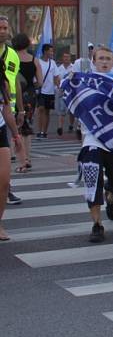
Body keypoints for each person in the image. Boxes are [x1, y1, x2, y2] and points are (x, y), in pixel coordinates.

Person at [76, 45, 113, 243]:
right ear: (94, 61)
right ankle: (97, 225)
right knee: (92, 183)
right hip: (92, 141)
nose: (104, 62)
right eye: (101, 58)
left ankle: (111, 195)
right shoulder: (84, 84)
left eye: (108, 59)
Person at [0, 60, 24, 240]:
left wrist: (16, 136)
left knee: (4, 182)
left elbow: (6, 109)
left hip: (0, 132)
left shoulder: (3, 82)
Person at [0, 18, 22, 205]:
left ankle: (7, 189)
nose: (3, 31)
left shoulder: (13, 54)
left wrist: (20, 109)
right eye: (0, 28)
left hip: (8, 110)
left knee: (6, 156)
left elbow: (14, 82)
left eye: (5, 28)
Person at [13, 33, 42, 174]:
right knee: (27, 127)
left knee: (15, 128)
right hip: (30, 95)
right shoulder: (34, 60)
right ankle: (28, 159)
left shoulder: (11, 58)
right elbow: (40, 82)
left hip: (13, 95)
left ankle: (20, 159)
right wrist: (31, 88)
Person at [35, 43, 56, 138]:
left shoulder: (53, 63)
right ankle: (39, 131)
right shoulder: (38, 62)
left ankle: (44, 132)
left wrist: (59, 86)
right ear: (45, 51)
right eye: (50, 51)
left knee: (47, 111)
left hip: (50, 91)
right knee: (41, 109)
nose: (52, 53)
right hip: (41, 90)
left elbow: (56, 76)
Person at [54, 51, 74, 136]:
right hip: (62, 91)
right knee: (62, 110)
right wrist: (58, 88)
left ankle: (71, 125)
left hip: (71, 91)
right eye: (65, 57)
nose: (66, 58)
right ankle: (60, 127)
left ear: (70, 58)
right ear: (62, 58)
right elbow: (56, 80)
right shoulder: (59, 68)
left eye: (68, 57)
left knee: (71, 111)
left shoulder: (73, 68)